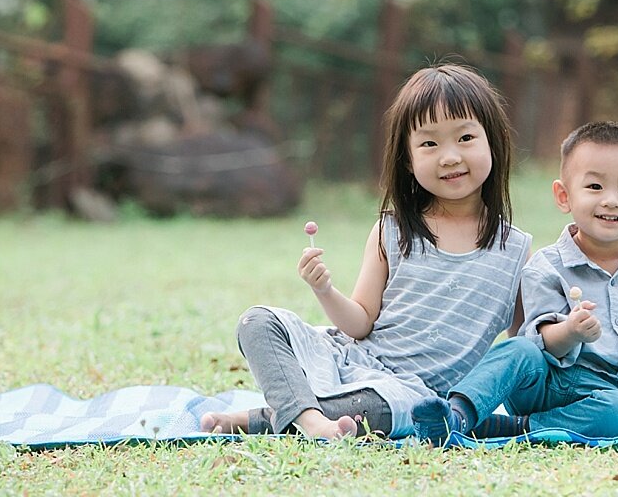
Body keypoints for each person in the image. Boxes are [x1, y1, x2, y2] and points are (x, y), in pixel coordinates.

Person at [201, 63, 531, 439]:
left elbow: (521, 348)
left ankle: (266, 417)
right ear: (408, 160)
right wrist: (323, 289)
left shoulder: (516, 251)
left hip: (409, 396)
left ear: (494, 141)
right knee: (256, 321)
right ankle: (310, 422)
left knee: (377, 409)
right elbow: (359, 324)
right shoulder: (392, 231)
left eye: (466, 138)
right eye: (429, 143)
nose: (450, 157)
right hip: (347, 360)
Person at [411, 120, 618, 444]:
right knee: (518, 350)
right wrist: (571, 331)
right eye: (595, 187)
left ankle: (513, 429)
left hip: (605, 398)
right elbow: (536, 339)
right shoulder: (546, 266)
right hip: (544, 382)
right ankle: (456, 414)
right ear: (563, 196)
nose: (611, 200)